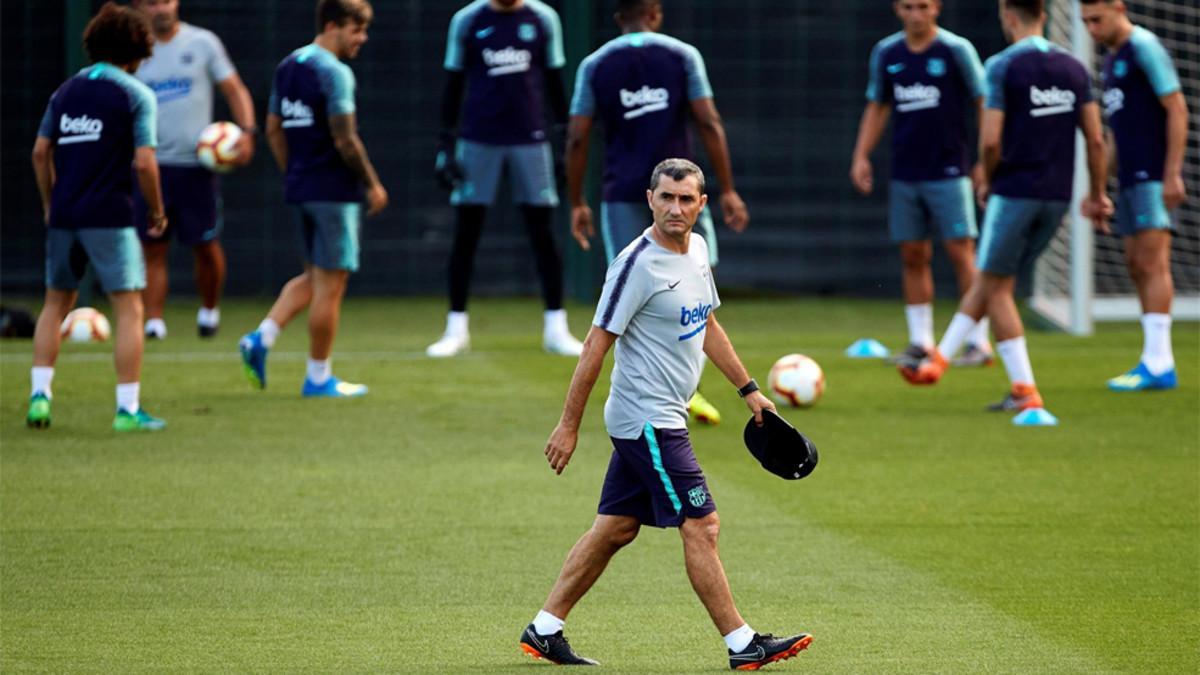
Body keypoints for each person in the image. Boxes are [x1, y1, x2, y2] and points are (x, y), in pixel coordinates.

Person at [520, 159, 812, 670]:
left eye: (686, 199)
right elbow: (594, 346)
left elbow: (708, 325)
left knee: (615, 528)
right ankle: (742, 644)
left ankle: (544, 629)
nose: (675, 208)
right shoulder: (636, 265)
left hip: (662, 415)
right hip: (648, 420)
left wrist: (749, 390)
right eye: (666, 198)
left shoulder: (697, 251)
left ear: (701, 204)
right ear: (649, 198)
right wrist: (568, 425)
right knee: (703, 524)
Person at [899, 0, 1112, 419]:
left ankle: (1025, 390)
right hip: (1057, 196)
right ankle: (937, 361)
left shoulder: (1002, 66)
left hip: (1014, 192)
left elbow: (992, 141)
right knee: (995, 277)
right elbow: (1096, 139)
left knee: (996, 285)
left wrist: (987, 178)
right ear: (1045, 15)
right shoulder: (1073, 68)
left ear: (1008, 17)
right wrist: (1098, 193)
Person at [565, 0, 748, 426]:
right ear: (655, 12)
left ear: (617, 18)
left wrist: (576, 201)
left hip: (623, 194)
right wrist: (729, 190)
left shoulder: (595, 64)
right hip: (681, 194)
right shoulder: (683, 56)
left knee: (632, 293)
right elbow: (710, 122)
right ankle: (672, 395)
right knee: (693, 292)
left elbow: (577, 137)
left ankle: (668, 395)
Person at [27, 1, 167, 431]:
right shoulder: (135, 94)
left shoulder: (65, 91)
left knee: (54, 304)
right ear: (137, 50)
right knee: (129, 308)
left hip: (65, 214)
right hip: (109, 214)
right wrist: (157, 210)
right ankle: (127, 410)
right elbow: (144, 163)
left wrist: (51, 203)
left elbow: (39, 152)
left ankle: (39, 398)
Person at [238, 0, 386, 398]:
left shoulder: (288, 66)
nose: (362, 39)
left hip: (301, 187)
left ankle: (260, 338)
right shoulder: (334, 73)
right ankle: (318, 377)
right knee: (331, 285)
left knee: (314, 277)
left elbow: (273, 128)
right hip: (333, 192)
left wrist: (294, 172)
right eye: (357, 30)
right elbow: (345, 139)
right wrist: (372, 183)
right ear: (333, 25)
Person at [428, 0, 584, 358]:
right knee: (467, 232)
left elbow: (554, 84)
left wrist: (563, 145)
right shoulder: (466, 21)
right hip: (477, 140)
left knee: (542, 231)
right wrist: (445, 147)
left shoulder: (543, 19)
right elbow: (453, 86)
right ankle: (456, 328)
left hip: (531, 141)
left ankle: (556, 328)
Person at [851, 0, 994, 368]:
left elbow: (983, 101)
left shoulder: (956, 50)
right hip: (906, 172)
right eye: (909, 7)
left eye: (924, 6)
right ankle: (921, 342)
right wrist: (861, 155)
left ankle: (978, 342)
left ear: (937, 8)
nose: (917, 14)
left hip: (950, 171)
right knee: (913, 254)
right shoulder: (887, 52)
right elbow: (877, 105)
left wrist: (983, 158)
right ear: (898, 10)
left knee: (962, 253)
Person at [132, 0, 256, 340]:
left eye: (166, 0)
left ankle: (209, 311)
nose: (161, 8)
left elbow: (235, 88)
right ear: (139, 7)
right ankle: (154, 322)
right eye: (152, 2)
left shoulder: (203, 43)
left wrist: (246, 133)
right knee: (152, 246)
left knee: (205, 245)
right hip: (151, 166)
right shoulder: (133, 51)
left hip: (196, 167)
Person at [1080, 0, 1187, 392]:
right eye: (1086, 22)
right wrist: (1098, 189)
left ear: (1118, 8)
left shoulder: (1144, 46)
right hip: (1128, 177)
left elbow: (1176, 108)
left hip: (1154, 174)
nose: (1091, 28)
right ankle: (1152, 359)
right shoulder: (1111, 61)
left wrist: (1172, 173)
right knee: (1135, 263)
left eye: (1097, 19)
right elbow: (1115, 136)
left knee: (1152, 260)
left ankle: (1161, 363)